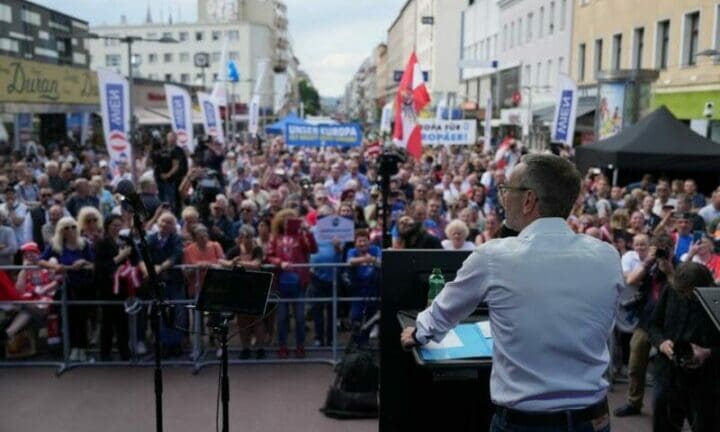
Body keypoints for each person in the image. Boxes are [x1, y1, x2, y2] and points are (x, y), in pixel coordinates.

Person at [401, 154, 621, 432]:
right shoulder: (607, 256)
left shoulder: (494, 257)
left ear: (528, 200)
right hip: (595, 420)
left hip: (525, 424)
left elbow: (440, 315)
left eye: (507, 190)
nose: (503, 198)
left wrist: (418, 333)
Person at [649, 262, 720, 431]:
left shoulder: (716, 300)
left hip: (705, 381)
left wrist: (707, 353)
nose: (682, 296)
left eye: (687, 292)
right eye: (680, 292)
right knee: (663, 425)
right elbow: (653, 325)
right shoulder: (670, 290)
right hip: (668, 374)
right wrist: (661, 343)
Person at [614, 233, 675, 417]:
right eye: (658, 248)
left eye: (666, 249)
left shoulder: (678, 264)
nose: (663, 252)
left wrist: (669, 270)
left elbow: (680, 289)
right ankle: (634, 403)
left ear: (672, 249)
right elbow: (631, 280)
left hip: (668, 325)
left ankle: (669, 408)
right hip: (646, 321)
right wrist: (649, 261)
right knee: (635, 365)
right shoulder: (649, 266)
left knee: (667, 371)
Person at [38, 216, 94, 362]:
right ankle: (73, 348)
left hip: (84, 285)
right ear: (61, 231)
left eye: (73, 227)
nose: (70, 230)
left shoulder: (85, 244)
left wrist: (83, 262)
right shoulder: (56, 245)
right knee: (70, 318)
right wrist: (55, 266)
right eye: (66, 228)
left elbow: (94, 263)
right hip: (67, 286)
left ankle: (82, 348)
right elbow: (41, 260)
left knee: (82, 318)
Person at [266, 209, 318, 359]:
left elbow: (313, 249)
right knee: (282, 318)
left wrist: (308, 232)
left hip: (299, 281)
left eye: (292, 219)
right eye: (285, 219)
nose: (288, 221)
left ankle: (300, 346)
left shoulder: (301, 236)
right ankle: (283, 346)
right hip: (281, 281)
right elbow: (269, 256)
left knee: (300, 317)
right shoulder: (275, 238)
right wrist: (280, 263)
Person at [94, 215, 136, 361]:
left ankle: (125, 351)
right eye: (114, 225)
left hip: (124, 287)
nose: (117, 228)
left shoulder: (125, 241)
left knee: (123, 321)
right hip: (108, 288)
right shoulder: (101, 243)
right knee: (107, 321)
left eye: (119, 225)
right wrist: (120, 257)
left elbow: (134, 258)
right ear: (107, 226)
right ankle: (105, 353)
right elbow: (101, 266)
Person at [222, 225, 266, 359]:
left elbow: (257, 265)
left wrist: (238, 263)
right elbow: (223, 261)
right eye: (244, 237)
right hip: (239, 288)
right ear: (240, 238)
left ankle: (260, 348)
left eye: (249, 237)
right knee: (242, 321)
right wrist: (230, 263)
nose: (247, 240)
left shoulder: (258, 249)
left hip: (255, 288)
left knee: (257, 320)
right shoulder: (235, 250)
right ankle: (245, 347)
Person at [346, 228, 381, 344]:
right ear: (355, 243)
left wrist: (373, 260)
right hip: (358, 290)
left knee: (371, 318)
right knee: (355, 317)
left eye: (364, 241)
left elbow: (380, 261)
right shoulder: (351, 251)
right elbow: (350, 261)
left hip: (373, 290)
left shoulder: (375, 249)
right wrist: (366, 259)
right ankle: (355, 343)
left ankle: (364, 342)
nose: (362, 244)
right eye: (359, 241)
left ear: (369, 241)